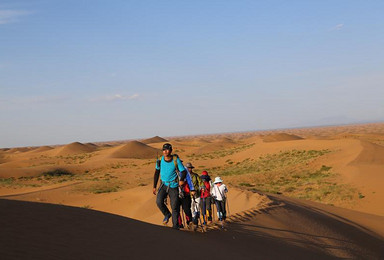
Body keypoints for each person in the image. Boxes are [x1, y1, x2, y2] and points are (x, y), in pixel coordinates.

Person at [153, 143, 191, 229]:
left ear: (170, 150)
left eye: (167, 149)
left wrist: (181, 180)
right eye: (163, 150)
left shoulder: (175, 160)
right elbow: (156, 173)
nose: (165, 151)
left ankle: (175, 226)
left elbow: (183, 171)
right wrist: (154, 186)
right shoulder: (159, 160)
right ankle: (167, 214)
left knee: (175, 206)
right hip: (163, 184)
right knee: (159, 202)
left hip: (173, 185)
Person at [185, 162, 204, 230]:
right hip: (188, 196)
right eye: (188, 168)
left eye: (190, 168)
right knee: (190, 209)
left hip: (197, 195)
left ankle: (195, 223)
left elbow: (201, 182)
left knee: (197, 209)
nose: (189, 169)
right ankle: (191, 223)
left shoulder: (196, 176)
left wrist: (203, 187)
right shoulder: (184, 177)